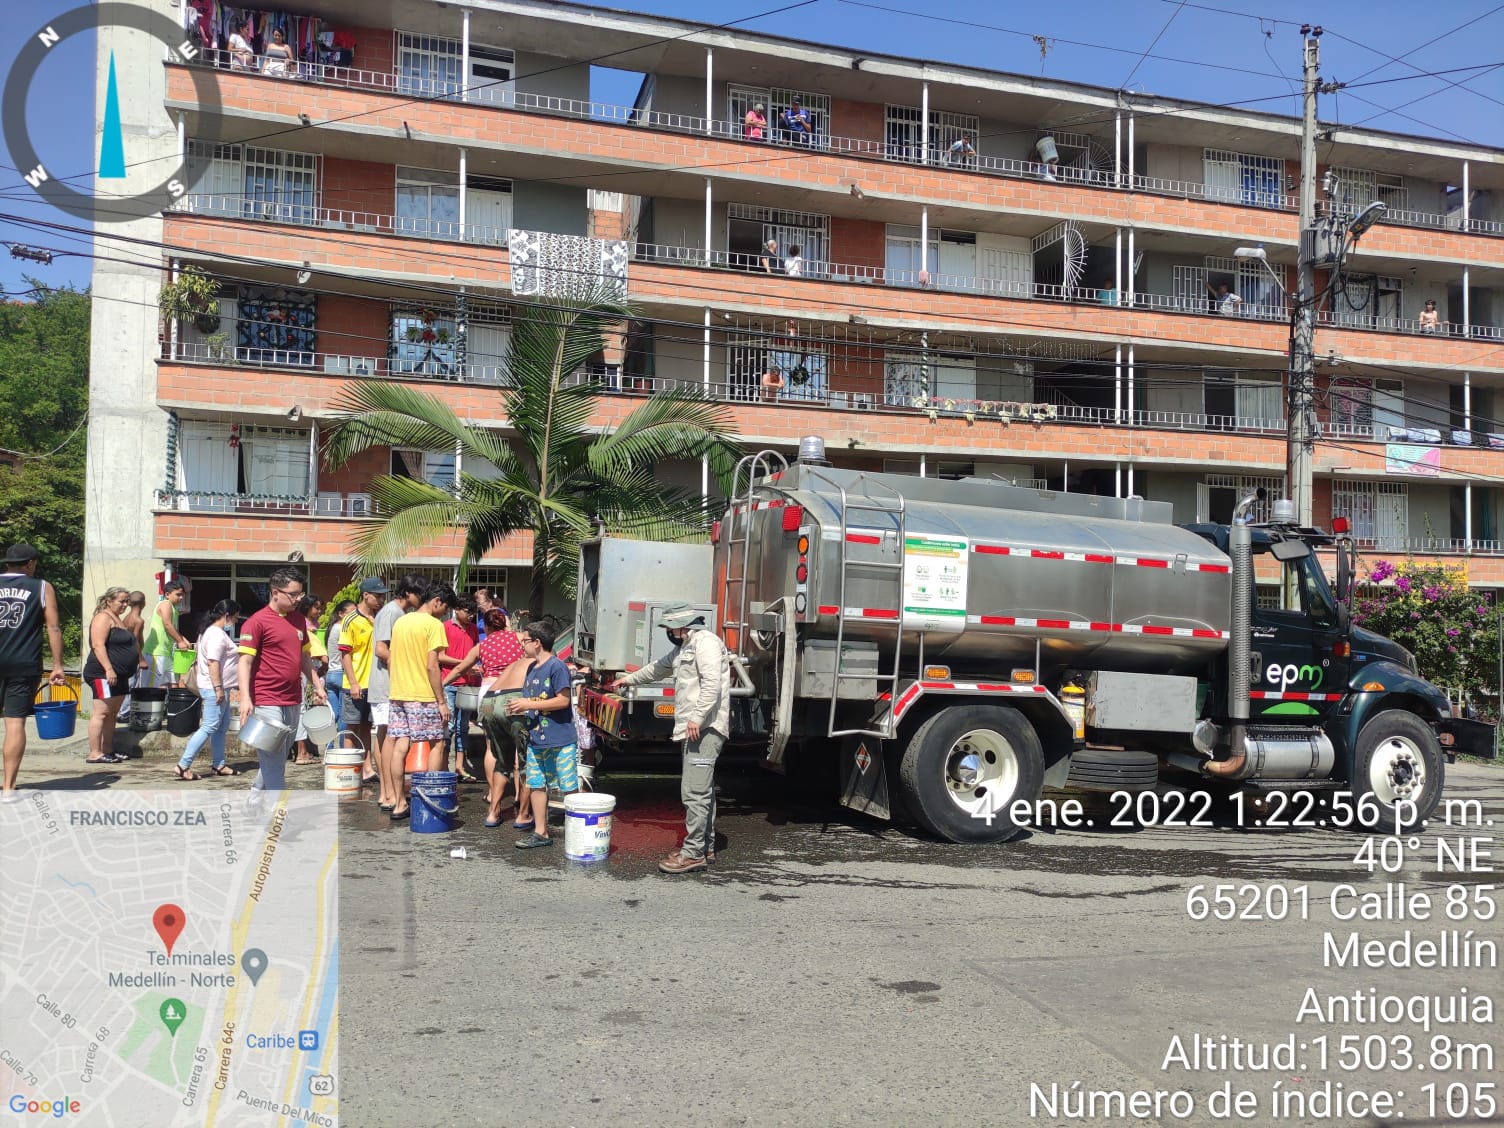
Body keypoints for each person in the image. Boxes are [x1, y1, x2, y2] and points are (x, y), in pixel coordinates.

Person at [609, 604, 729, 874]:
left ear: (682, 625)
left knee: (694, 793)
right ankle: (704, 847)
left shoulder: (706, 643)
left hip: (706, 728)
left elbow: (712, 684)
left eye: (669, 627)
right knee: (702, 791)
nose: (669, 632)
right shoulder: (686, 646)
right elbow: (658, 668)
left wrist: (697, 717)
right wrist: (628, 680)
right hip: (696, 728)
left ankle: (694, 853)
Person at [238, 567, 326, 797]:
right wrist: (245, 698)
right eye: (293, 594)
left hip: (293, 699)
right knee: (273, 759)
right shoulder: (257, 622)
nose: (298, 600)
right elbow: (245, 662)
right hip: (267, 700)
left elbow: (305, 658)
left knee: (277, 757)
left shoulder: (298, 620)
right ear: (275, 592)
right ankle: (277, 817)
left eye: (300, 594)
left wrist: (317, 685)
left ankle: (255, 796)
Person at [444, 607, 527, 827]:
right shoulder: (519, 639)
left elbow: (461, 668)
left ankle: (493, 794)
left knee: (492, 747)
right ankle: (520, 797)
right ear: (505, 623)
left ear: (487, 627)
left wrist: (441, 684)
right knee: (520, 748)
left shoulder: (482, 645)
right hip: (515, 693)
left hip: (488, 695)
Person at [0, 544, 67, 795]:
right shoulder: (41, 586)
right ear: (30, 563)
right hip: (23, 663)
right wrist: (58, 665)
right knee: (15, 723)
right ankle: (8, 787)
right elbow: (54, 627)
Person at [385, 582, 456, 819]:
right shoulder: (433, 625)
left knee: (400, 745)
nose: (445, 614)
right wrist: (442, 701)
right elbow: (432, 665)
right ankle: (429, 800)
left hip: (398, 693)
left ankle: (399, 803)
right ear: (436, 601)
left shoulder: (401, 621)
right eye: (445, 608)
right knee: (438, 743)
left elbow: (391, 659)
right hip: (423, 696)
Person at [507, 621, 578, 849]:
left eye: (525, 641)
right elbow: (533, 699)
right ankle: (541, 832)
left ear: (537, 643)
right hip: (537, 738)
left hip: (561, 739)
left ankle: (577, 832)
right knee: (536, 784)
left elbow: (564, 700)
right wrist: (520, 706)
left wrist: (528, 703)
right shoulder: (531, 668)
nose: (522, 645)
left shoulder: (557, 667)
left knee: (568, 786)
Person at [369, 574, 423, 811]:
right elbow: (382, 649)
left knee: (386, 736)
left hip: (389, 684)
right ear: (409, 592)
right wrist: (402, 667)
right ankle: (389, 792)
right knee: (389, 736)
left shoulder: (397, 613)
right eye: (419, 593)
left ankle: (387, 793)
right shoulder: (392, 612)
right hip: (386, 684)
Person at [174, 600, 241, 780]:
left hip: (221, 687)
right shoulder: (215, 635)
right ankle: (183, 765)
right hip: (215, 689)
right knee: (210, 726)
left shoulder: (210, 632)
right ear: (226, 615)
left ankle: (218, 764)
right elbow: (213, 662)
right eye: (234, 618)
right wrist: (218, 688)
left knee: (221, 727)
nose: (234, 622)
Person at [80, 587, 135, 767]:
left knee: (112, 713)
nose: (125, 605)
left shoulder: (117, 619)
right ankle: (94, 753)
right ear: (109, 601)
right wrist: (109, 669)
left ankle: (108, 750)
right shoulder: (103, 617)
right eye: (121, 601)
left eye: (127, 601)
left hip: (119, 675)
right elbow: (98, 645)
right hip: (102, 673)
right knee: (101, 712)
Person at [338, 578, 386, 783]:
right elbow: (345, 654)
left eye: (383, 596)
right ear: (366, 595)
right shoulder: (350, 620)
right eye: (378, 596)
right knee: (351, 728)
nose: (381, 600)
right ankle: (349, 770)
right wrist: (354, 682)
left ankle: (367, 769)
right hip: (355, 683)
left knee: (367, 727)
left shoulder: (378, 618)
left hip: (373, 683)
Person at [441, 596, 481, 777]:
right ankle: (443, 766)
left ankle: (459, 765)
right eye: (467, 612)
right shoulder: (445, 627)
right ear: (457, 610)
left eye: (473, 613)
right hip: (449, 682)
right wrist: (465, 664)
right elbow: (440, 656)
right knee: (448, 726)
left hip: (468, 685)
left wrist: (471, 667)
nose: (471, 616)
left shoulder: (474, 629)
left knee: (462, 727)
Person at [292, 595, 327, 765]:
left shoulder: (315, 625)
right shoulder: (302, 625)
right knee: (302, 709)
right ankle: (301, 751)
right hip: (305, 667)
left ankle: (304, 749)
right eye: (316, 608)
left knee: (305, 708)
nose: (319, 612)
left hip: (312, 667)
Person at [141, 581, 190, 688]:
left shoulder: (174, 608)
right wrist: (180, 641)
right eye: (178, 595)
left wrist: (183, 639)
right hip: (156, 652)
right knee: (155, 687)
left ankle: (169, 705)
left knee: (173, 685)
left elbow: (173, 628)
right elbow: (167, 624)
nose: (181, 598)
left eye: (182, 595)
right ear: (167, 595)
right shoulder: (165, 604)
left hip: (168, 652)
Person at [322, 598, 356, 746]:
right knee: (343, 716)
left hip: (331, 674)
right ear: (341, 614)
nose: (354, 616)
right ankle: (342, 750)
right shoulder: (342, 629)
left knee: (333, 715)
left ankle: (329, 749)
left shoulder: (332, 628)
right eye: (351, 613)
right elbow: (344, 656)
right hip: (341, 675)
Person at [118, 590, 146, 721]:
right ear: (143, 603)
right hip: (131, 657)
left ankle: (123, 711)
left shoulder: (126, 617)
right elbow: (134, 641)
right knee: (131, 684)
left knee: (127, 683)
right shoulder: (138, 620)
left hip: (123, 655)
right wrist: (141, 659)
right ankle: (124, 713)